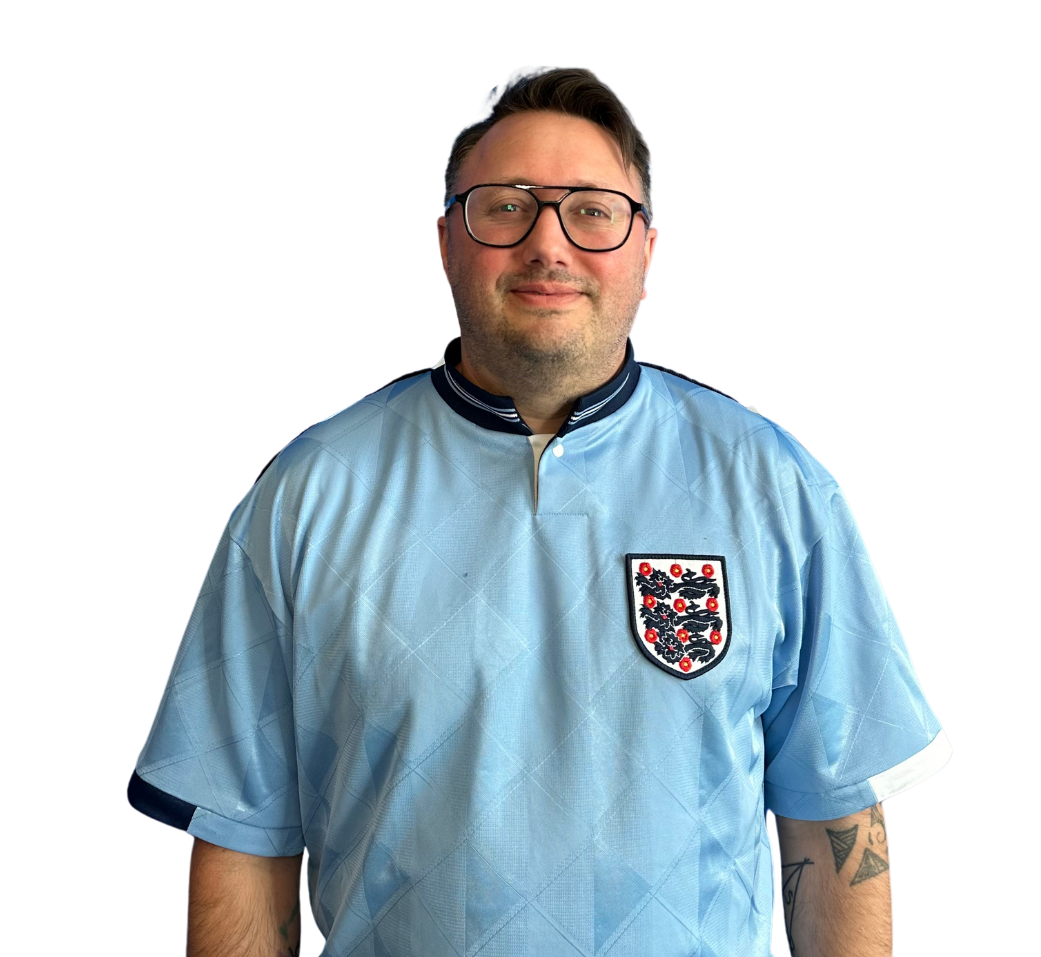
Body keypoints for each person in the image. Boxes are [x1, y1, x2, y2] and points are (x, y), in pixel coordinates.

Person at [127, 63, 952, 956]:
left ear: (647, 250)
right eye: (505, 206)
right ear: (445, 242)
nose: (548, 245)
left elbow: (836, 832)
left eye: (593, 210)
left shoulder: (777, 488)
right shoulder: (306, 496)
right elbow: (243, 843)